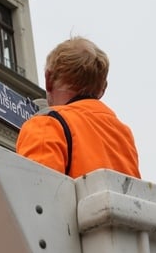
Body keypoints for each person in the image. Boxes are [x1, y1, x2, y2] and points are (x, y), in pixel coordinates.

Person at [16, 36, 140, 179]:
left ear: (48, 79)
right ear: (102, 90)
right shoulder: (124, 136)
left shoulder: (46, 125)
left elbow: (34, 193)